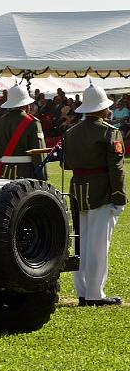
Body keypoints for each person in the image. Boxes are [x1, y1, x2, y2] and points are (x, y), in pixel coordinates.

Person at [64, 83, 125, 306]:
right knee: (99, 244)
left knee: (82, 242)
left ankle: (82, 290)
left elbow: (66, 163)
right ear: (101, 109)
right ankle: (94, 293)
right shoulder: (109, 132)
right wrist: (119, 196)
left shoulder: (70, 132)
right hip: (101, 192)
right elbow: (116, 168)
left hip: (77, 190)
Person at [0, 83, 46, 180]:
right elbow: (39, 155)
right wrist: (42, 178)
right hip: (26, 174)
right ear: (27, 105)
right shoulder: (33, 123)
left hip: (3, 173)